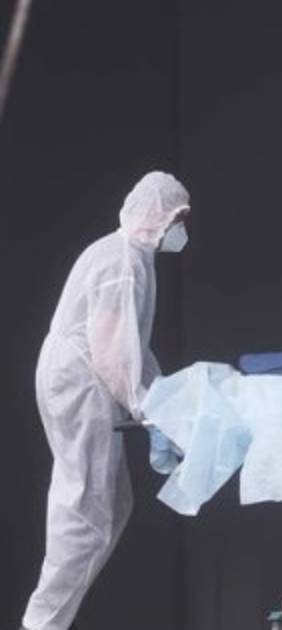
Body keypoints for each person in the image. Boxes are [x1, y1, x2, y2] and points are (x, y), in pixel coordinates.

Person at [21, 172, 190, 630]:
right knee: (86, 508)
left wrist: (161, 399)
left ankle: (51, 621)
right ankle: (41, 624)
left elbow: (132, 348)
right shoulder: (122, 263)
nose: (181, 229)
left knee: (111, 504)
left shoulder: (124, 255)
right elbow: (113, 351)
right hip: (80, 380)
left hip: (77, 374)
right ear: (157, 214)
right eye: (178, 217)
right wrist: (147, 408)